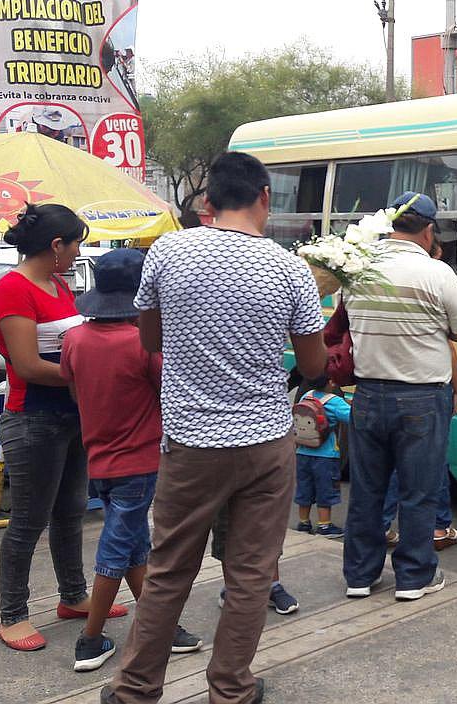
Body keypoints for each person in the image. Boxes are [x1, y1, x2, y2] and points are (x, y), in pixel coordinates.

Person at [102, 152, 326, 704]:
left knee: (170, 569)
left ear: (207, 202)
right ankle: (230, 689)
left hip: (192, 445)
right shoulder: (290, 267)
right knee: (251, 573)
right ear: (265, 198)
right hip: (267, 443)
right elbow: (316, 366)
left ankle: (134, 691)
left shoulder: (168, 252)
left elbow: (150, 340)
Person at [60, 248, 202, 672]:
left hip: (98, 459)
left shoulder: (75, 339)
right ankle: (90, 640)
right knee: (116, 549)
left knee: (136, 546)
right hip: (138, 464)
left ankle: (162, 627)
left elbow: (74, 392)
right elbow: (171, 397)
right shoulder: (143, 345)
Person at [0, 203, 114, 652]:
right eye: (76, 243)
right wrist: (92, 372)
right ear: (56, 245)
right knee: (27, 520)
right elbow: (26, 365)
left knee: (71, 511)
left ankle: (74, 596)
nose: (79, 251)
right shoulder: (12, 290)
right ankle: (13, 614)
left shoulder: (59, 284)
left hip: (73, 414)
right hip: (33, 417)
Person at [343, 191, 457, 602]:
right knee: (418, 492)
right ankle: (414, 578)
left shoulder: (359, 267)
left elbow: (349, 319)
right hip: (420, 399)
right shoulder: (437, 273)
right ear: (428, 229)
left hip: (366, 395)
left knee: (367, 491)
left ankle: (360, 577)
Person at [380, 237, 457, 552]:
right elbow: (453, 343)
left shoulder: (385, 281)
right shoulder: (436, 280)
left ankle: (383, 526)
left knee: (389, 463)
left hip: (383, 388)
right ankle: (439, 527)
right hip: (426, 390)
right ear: (436, 251)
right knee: (433, 460)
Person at [295, 378, 351, 539]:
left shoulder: (306, 396)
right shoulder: (335, 401)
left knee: (304, 488)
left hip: (302, 452)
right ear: (331, 382)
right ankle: (324, 525)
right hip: (326, 455)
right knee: (325, 489)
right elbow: (351, 418)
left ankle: (303, 523)